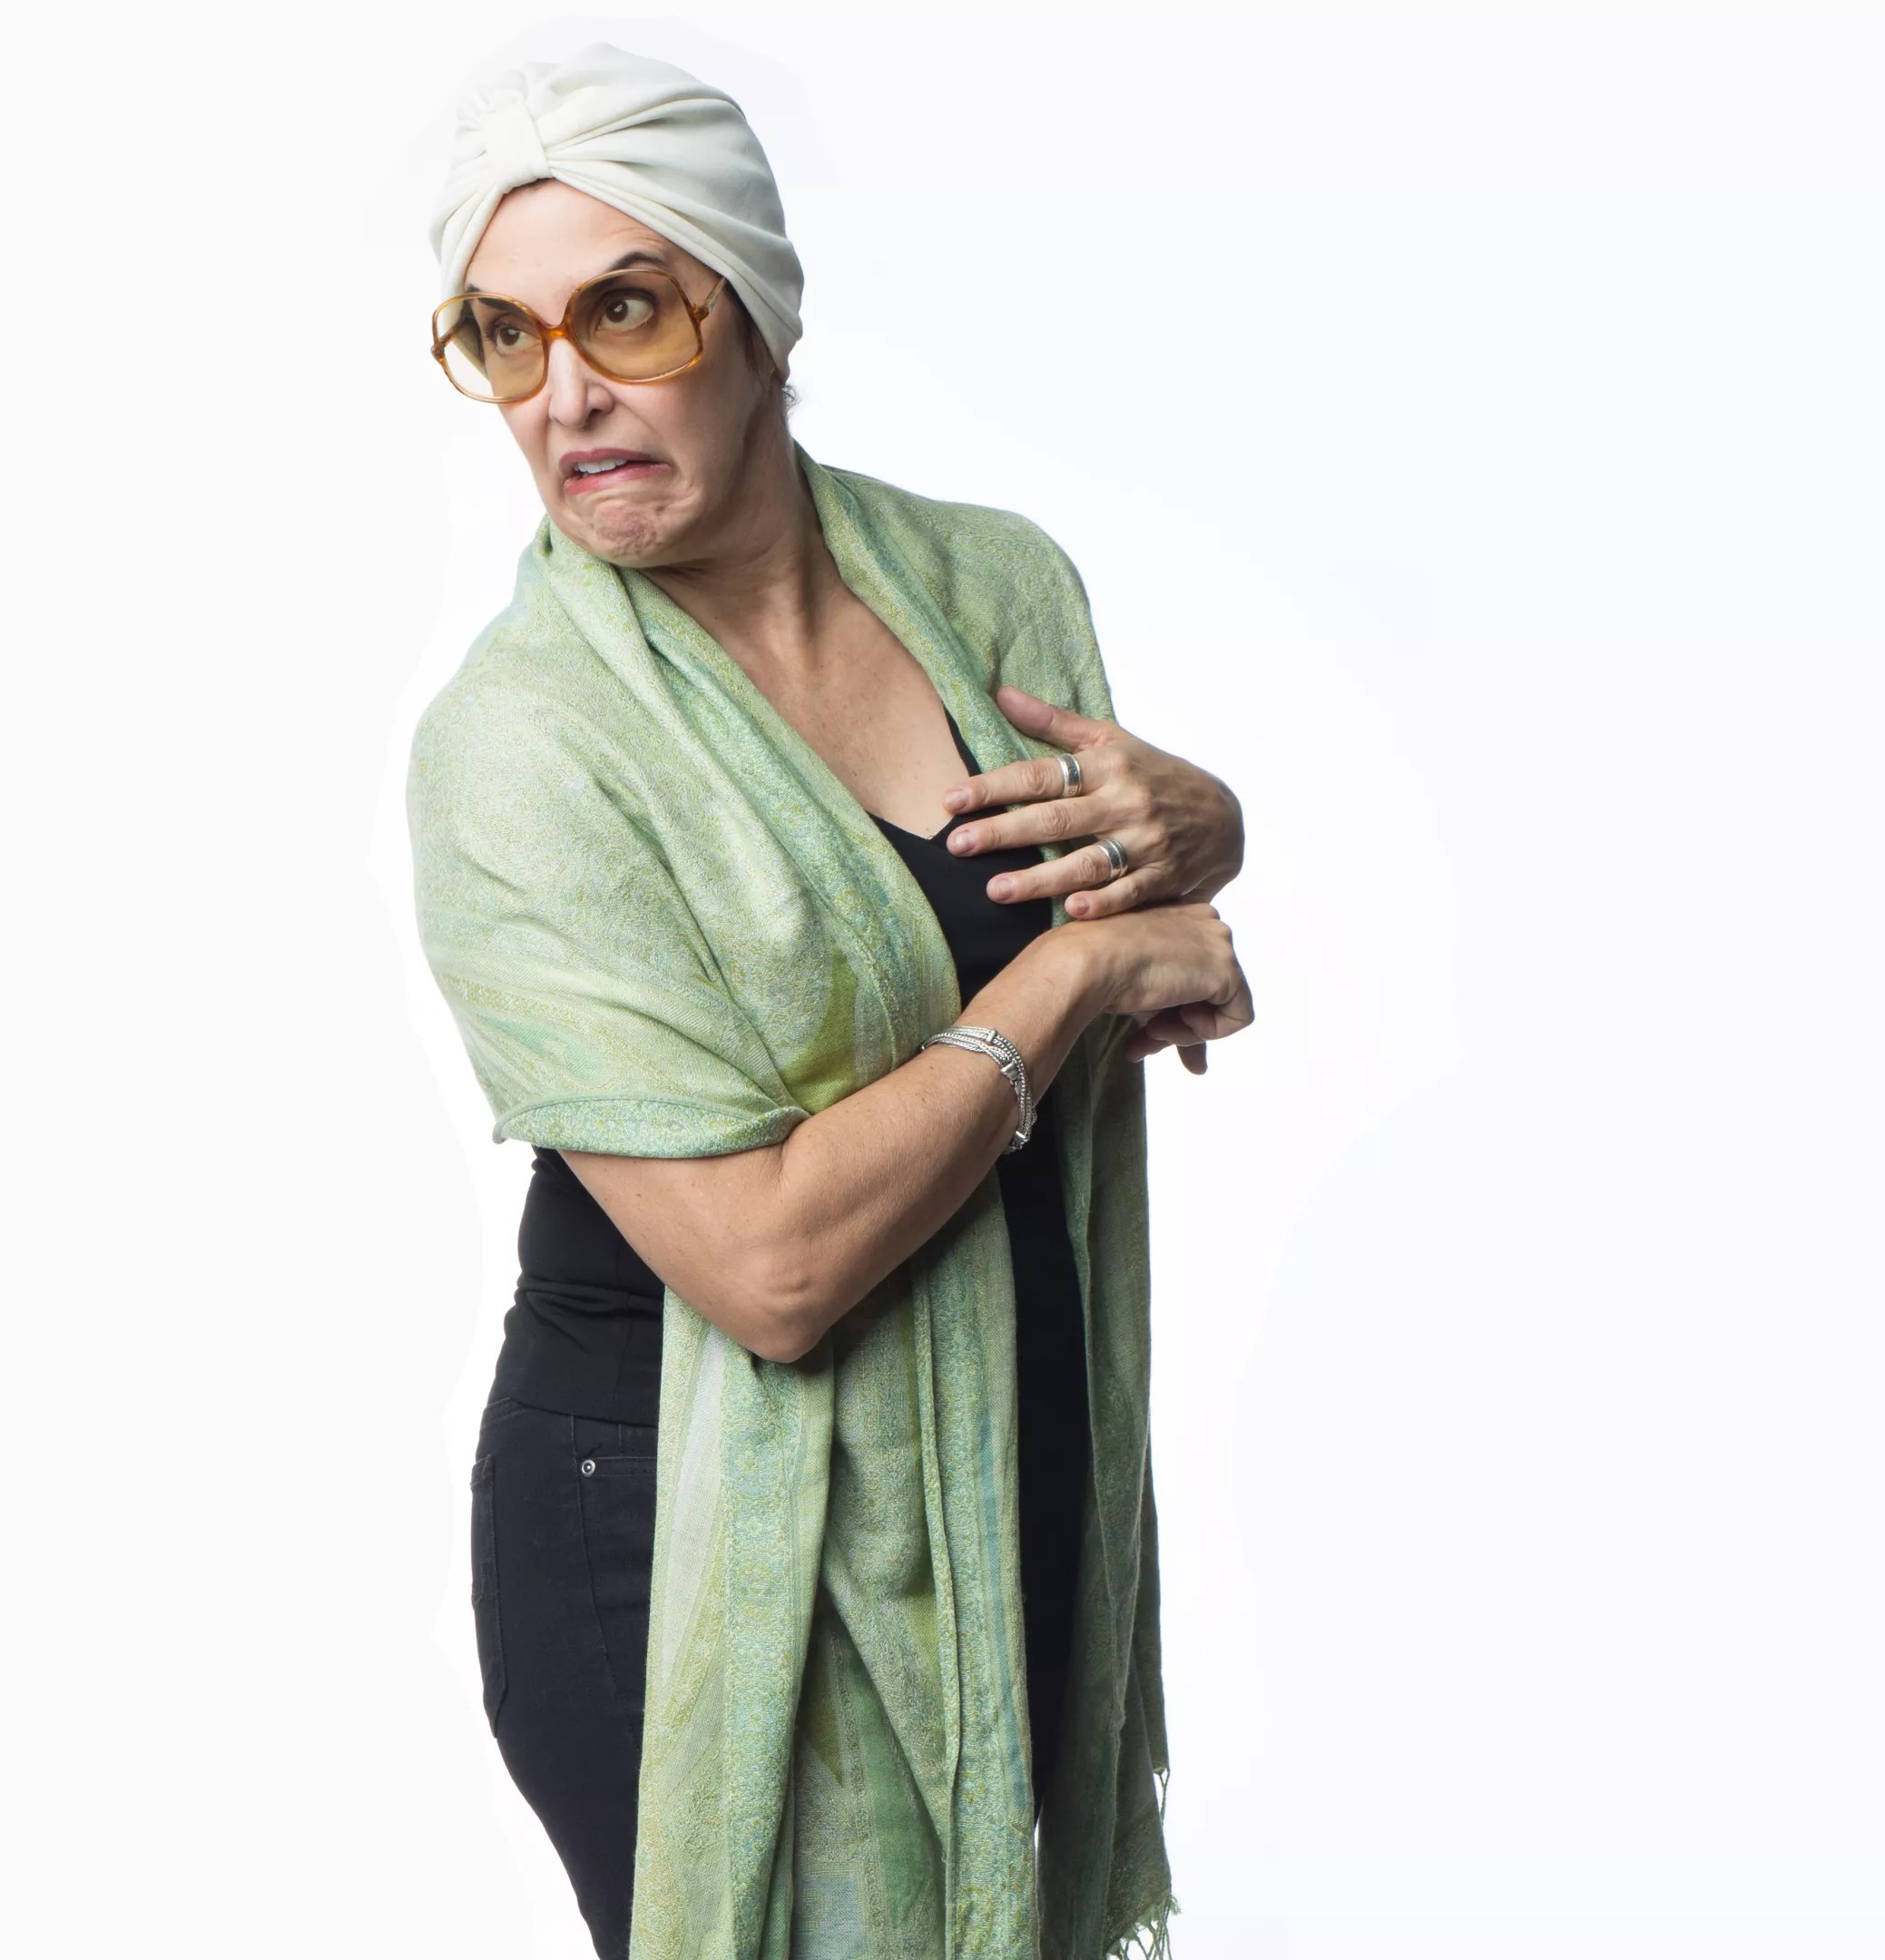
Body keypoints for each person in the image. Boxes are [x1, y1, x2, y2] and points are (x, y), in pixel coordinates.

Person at [408, 44, 1255, 1960]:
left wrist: (1208, 834)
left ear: (757, 313)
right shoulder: (521, 750)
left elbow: (1123, 904)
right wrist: (1077, 971)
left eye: (626, 309)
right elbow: (771, 1267)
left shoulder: (986, 593)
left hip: (1007, 1455)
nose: (566, 393)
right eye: (504, 337)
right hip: (676, 1518)